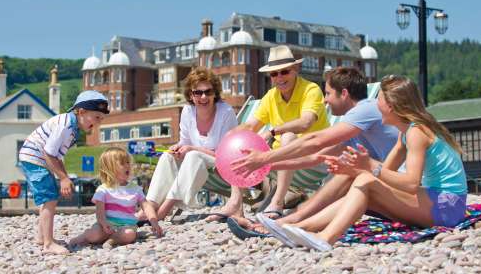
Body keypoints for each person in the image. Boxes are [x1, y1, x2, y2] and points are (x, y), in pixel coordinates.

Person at [264, 75, 468, 251]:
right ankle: (300, 227)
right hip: (437, 201)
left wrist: (368, 166)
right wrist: (355, 169)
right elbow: (384, 174)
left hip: (447, 205)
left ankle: (324, 238)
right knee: (365, 182)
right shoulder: (405, 134)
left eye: (378, 99)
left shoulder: (417, 132)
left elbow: (411, 183)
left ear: (391, 105)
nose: (375, 104)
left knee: (367, 180)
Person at [232, 67, 398, 227]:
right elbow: (313, 158)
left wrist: (264, 157)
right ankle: (291, 223)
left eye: (328, 93)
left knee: (349, 176)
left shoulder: (365, 110)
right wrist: (262, 165)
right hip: (385, 192)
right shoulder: (355, 131)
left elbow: (315, 140)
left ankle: (292, 224)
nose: (325, 100)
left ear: (345, 94)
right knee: (348, 175)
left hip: (400, 191)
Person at [235, 45, 329, 218]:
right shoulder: (271, 96)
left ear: (295, 70)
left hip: (315, 160)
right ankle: (235, 206)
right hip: (281, 160)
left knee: (288, 137)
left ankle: (278, 202)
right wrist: (230, 139)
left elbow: (305, 123)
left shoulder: (311, 90)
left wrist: (273, 131)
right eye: (274, 74)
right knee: (242, 145)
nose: (279, 77)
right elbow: (249, 127)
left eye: (284, 71)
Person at [136, 67, 240, 222]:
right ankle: (151, 205)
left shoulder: (225, 112)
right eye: (198, 92)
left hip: (222, 166)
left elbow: (227, 154)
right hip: (196, 164)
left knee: (193, 155)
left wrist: (191, 148)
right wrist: (178, 148)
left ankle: (165, 208)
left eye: (208, 92)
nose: (203, 96)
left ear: (215, 93)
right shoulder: (187, 111)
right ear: (191, 95)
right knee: (167, 156)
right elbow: (185, 142)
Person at [18, 90, 109, 254]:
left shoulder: (71, 126)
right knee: (49, 198)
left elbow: (57, 156)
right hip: (35, 158)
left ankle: (42, 237)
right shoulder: (66, 125)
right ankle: (48, 243)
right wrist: (64, 178)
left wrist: (64, 177)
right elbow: (49, 153)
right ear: (81, 111)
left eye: (101, 119)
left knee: (49, 198)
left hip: (37, 158)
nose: (98, 123)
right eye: (96, 117)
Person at [69, 148, 162, 247]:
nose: (127, 165)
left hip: (127, 225)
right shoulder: (103, 189)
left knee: (129, 234)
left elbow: (146, 206)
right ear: (110, 169)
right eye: (122, 163)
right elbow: (99, 213)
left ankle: (113, 240)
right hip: (106, 224)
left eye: (127, 162)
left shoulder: (135, 189)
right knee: (95, 234)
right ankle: (84, 237)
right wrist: (104, 223)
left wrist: (153, 221)